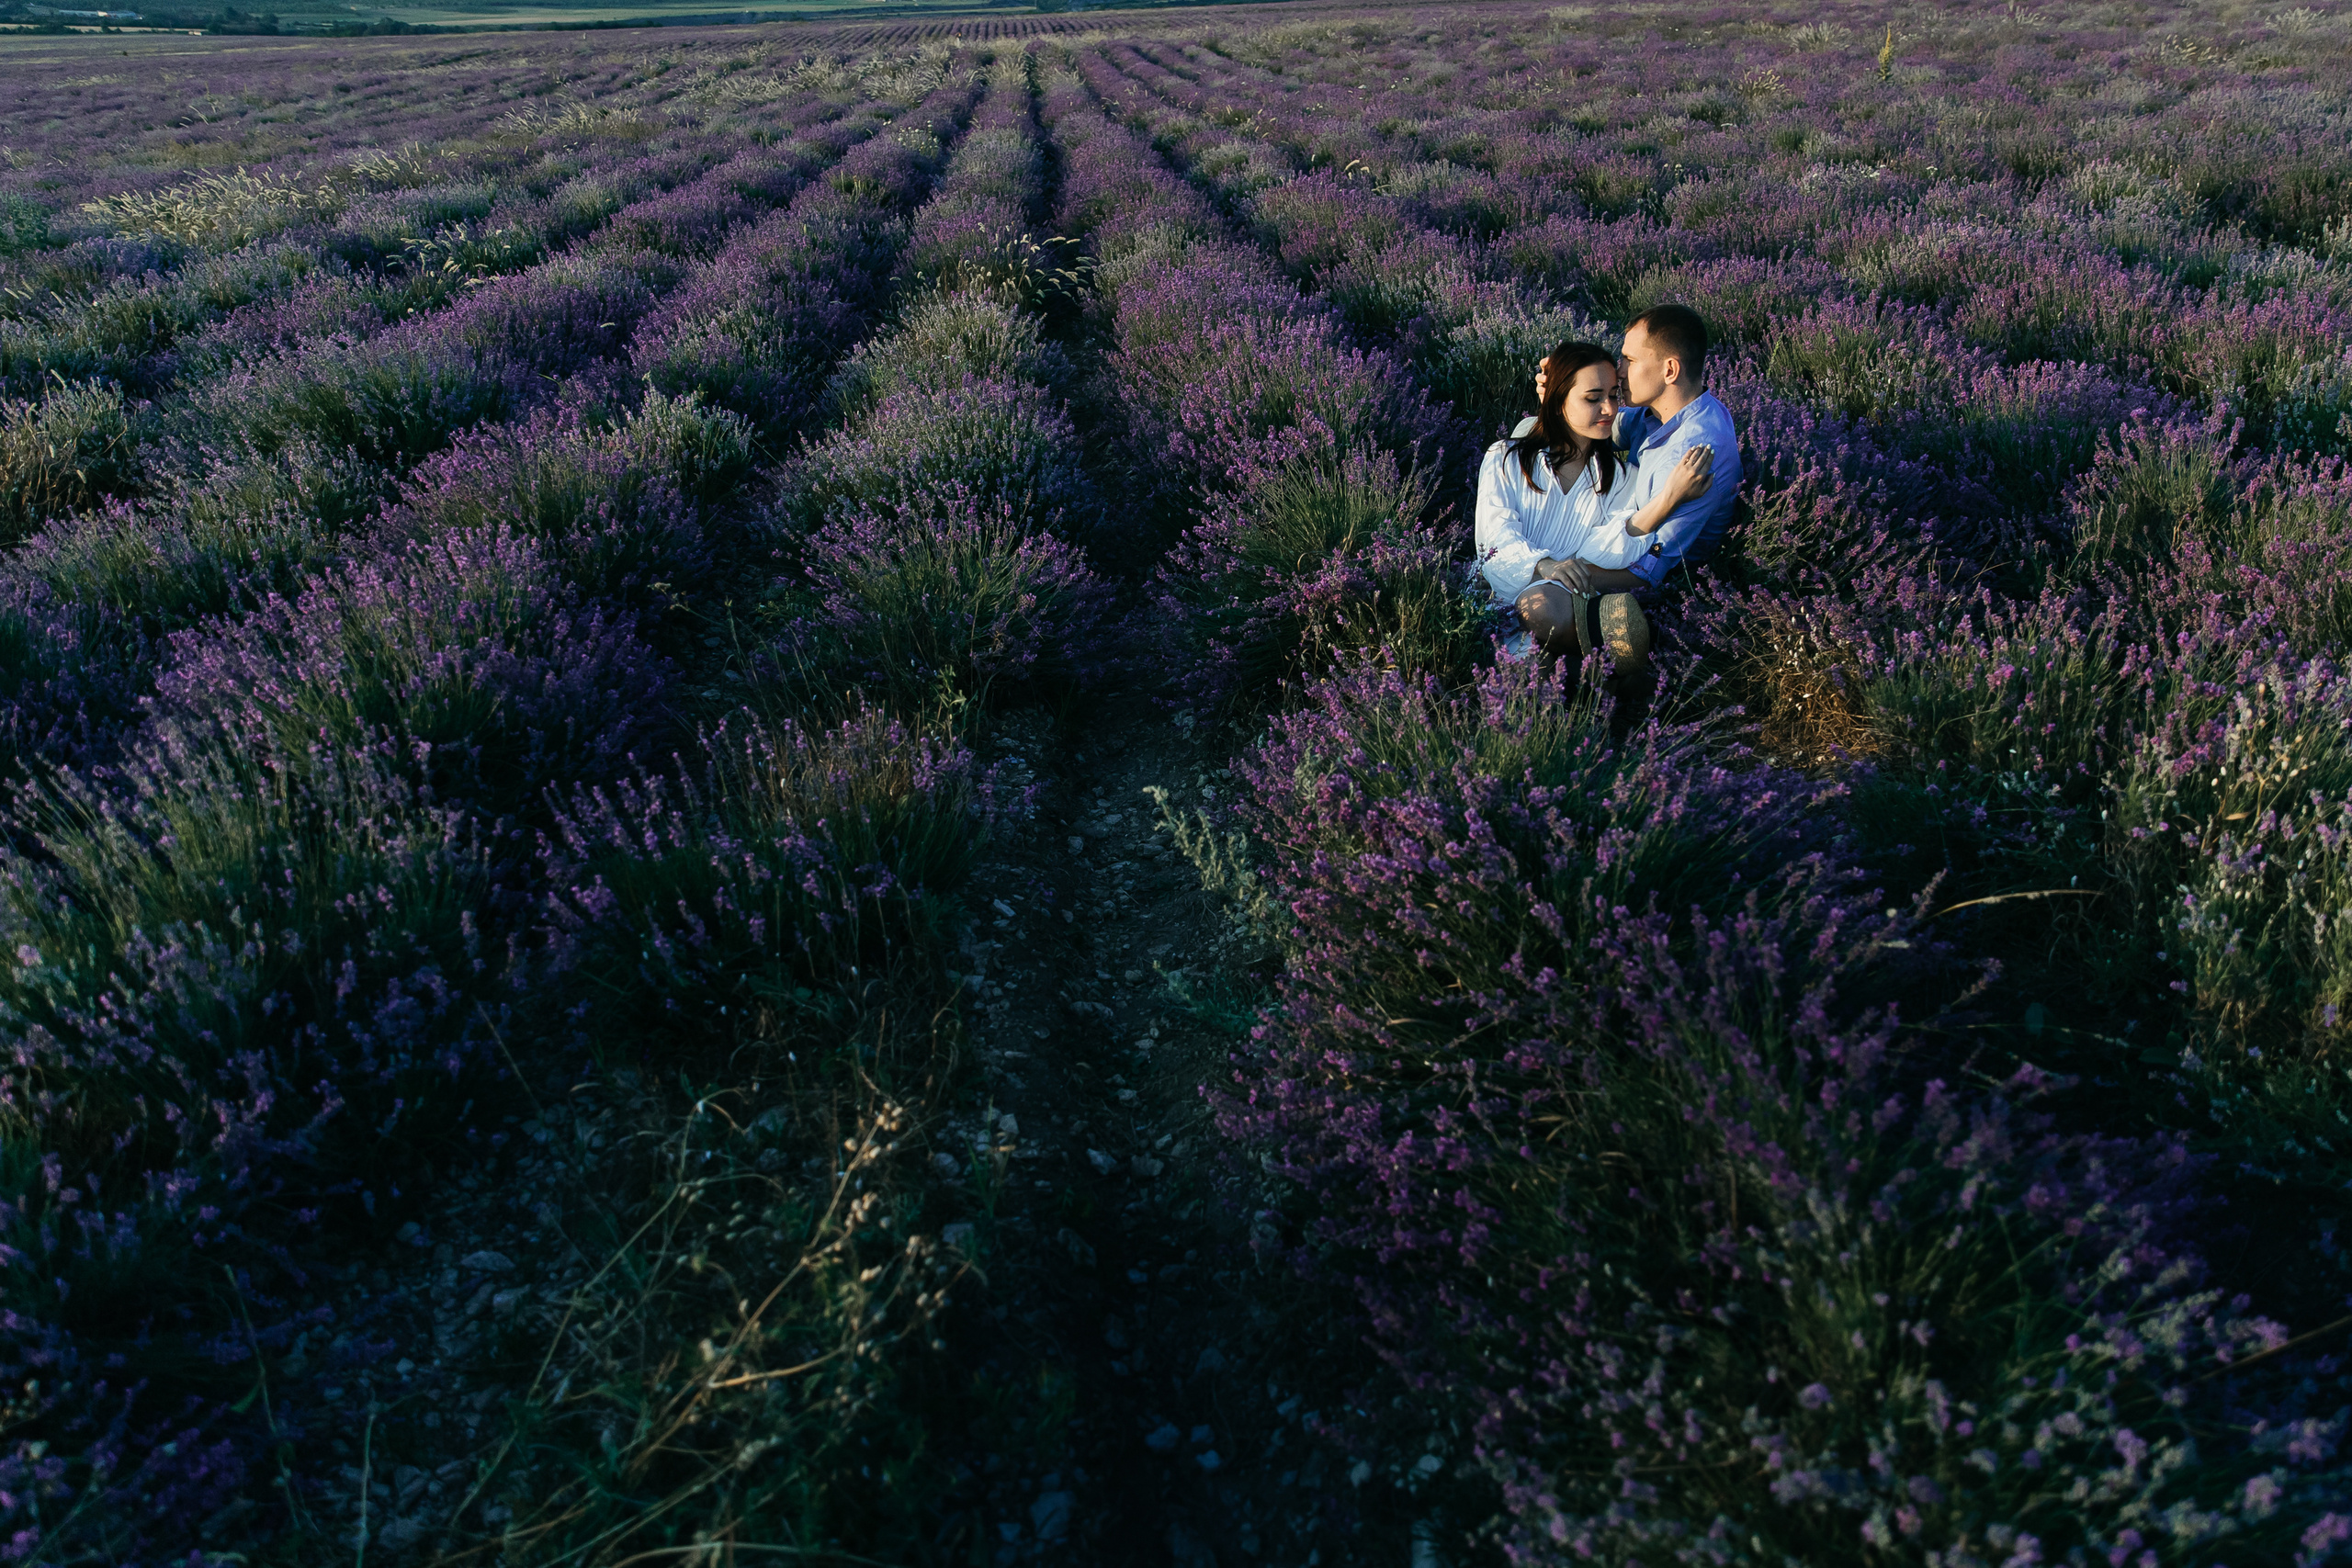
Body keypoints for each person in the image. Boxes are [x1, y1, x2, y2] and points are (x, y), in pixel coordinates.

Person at [1476, 330, 1718, 668]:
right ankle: (1610, 666)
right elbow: (1495, 536)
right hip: (1498, 600)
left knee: (1538, 668)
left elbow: (1601, 553)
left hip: (1564, 606)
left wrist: (1668, 500)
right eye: (1592, 398)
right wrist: (1546, 565)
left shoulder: (1619, 479)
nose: (1609, 409)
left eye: (1614, 395)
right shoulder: (1505, 458)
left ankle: (1598, 667)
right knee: (1528, 660)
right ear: (1558, 401)